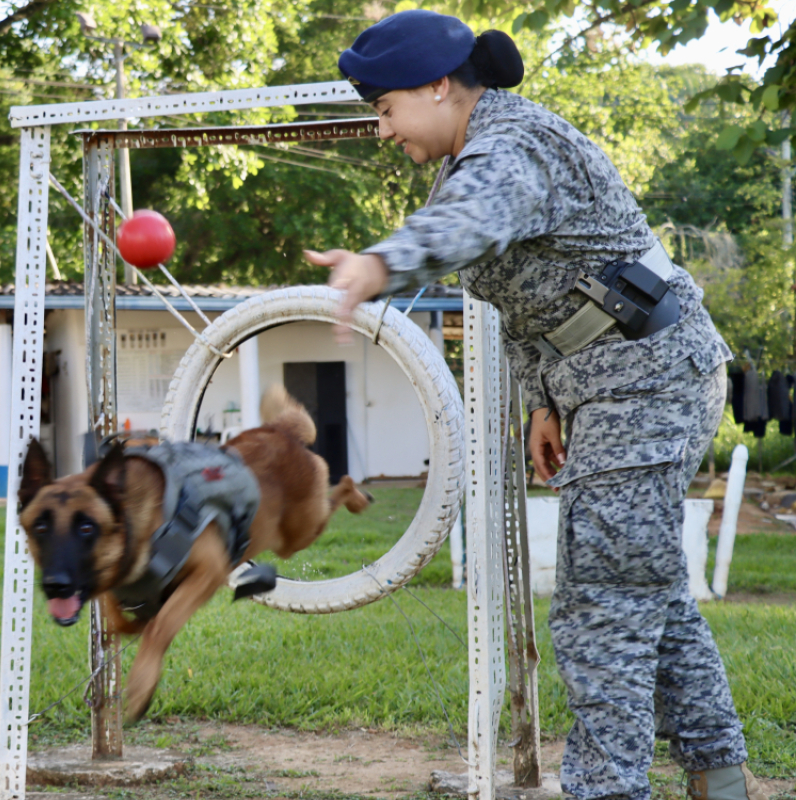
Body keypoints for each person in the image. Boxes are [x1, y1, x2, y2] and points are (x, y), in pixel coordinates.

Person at [304, 10, 761, 800]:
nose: (381, 131)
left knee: (601, 606)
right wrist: (543, 403)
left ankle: (609, 789)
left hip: (649, 375)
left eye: (384, 109)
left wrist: (382, 263)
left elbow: (475, 220)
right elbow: (529, 302)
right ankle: (718, 775)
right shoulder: (474, 154)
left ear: (440, 85)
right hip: (612, 380)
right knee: (642, 584)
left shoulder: (511, 146)